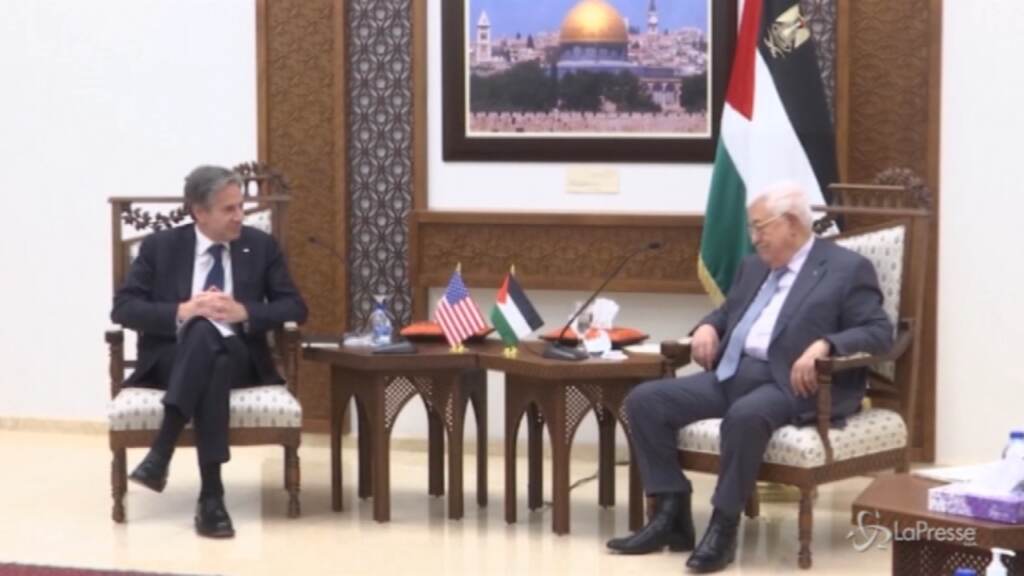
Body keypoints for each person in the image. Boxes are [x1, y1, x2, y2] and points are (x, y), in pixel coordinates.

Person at [606, 182, 893, 572]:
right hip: (733, 374)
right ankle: (671, 515)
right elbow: (728, 313)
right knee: (646, 400)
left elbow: (879, 332)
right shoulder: (754, 266)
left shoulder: (845, 268)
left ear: (791, 223)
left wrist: (826, 344)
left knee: (745, 415)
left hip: (793, 384)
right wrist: (708, 326)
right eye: (752, 228)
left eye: (760, 227)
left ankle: (723, 529)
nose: (754, 237)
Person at [111, 165, 307, 538]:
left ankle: (163, 451)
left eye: (241, 206)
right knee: (204, 338)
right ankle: (211, 497)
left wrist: (244, 311)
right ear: (199, 212)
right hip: (172, 359)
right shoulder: (160, 247)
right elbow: (124, 309)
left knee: (210, 344)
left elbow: (295, 307)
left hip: (241, 357)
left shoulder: (260, 246)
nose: (240, 216)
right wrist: (182, 311)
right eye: (229, 209)